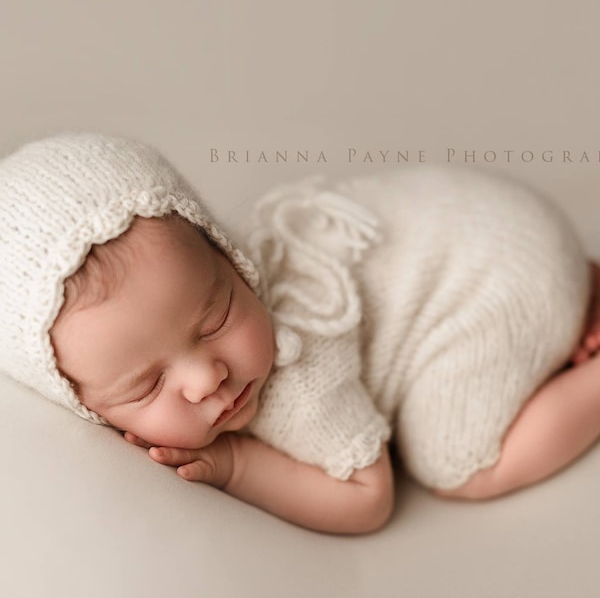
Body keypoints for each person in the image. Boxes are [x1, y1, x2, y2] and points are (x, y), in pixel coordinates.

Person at [1, 133, 599, 535]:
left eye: (216, 318)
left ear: (233, 260)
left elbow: (368, 498)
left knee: (461, 465)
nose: (207, 376)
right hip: (487, 220)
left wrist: (236, 463)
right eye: (148, 384)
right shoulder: (187, 291)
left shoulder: (300, 369)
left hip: (495, 276)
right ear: (78, 402)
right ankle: (580, 284)